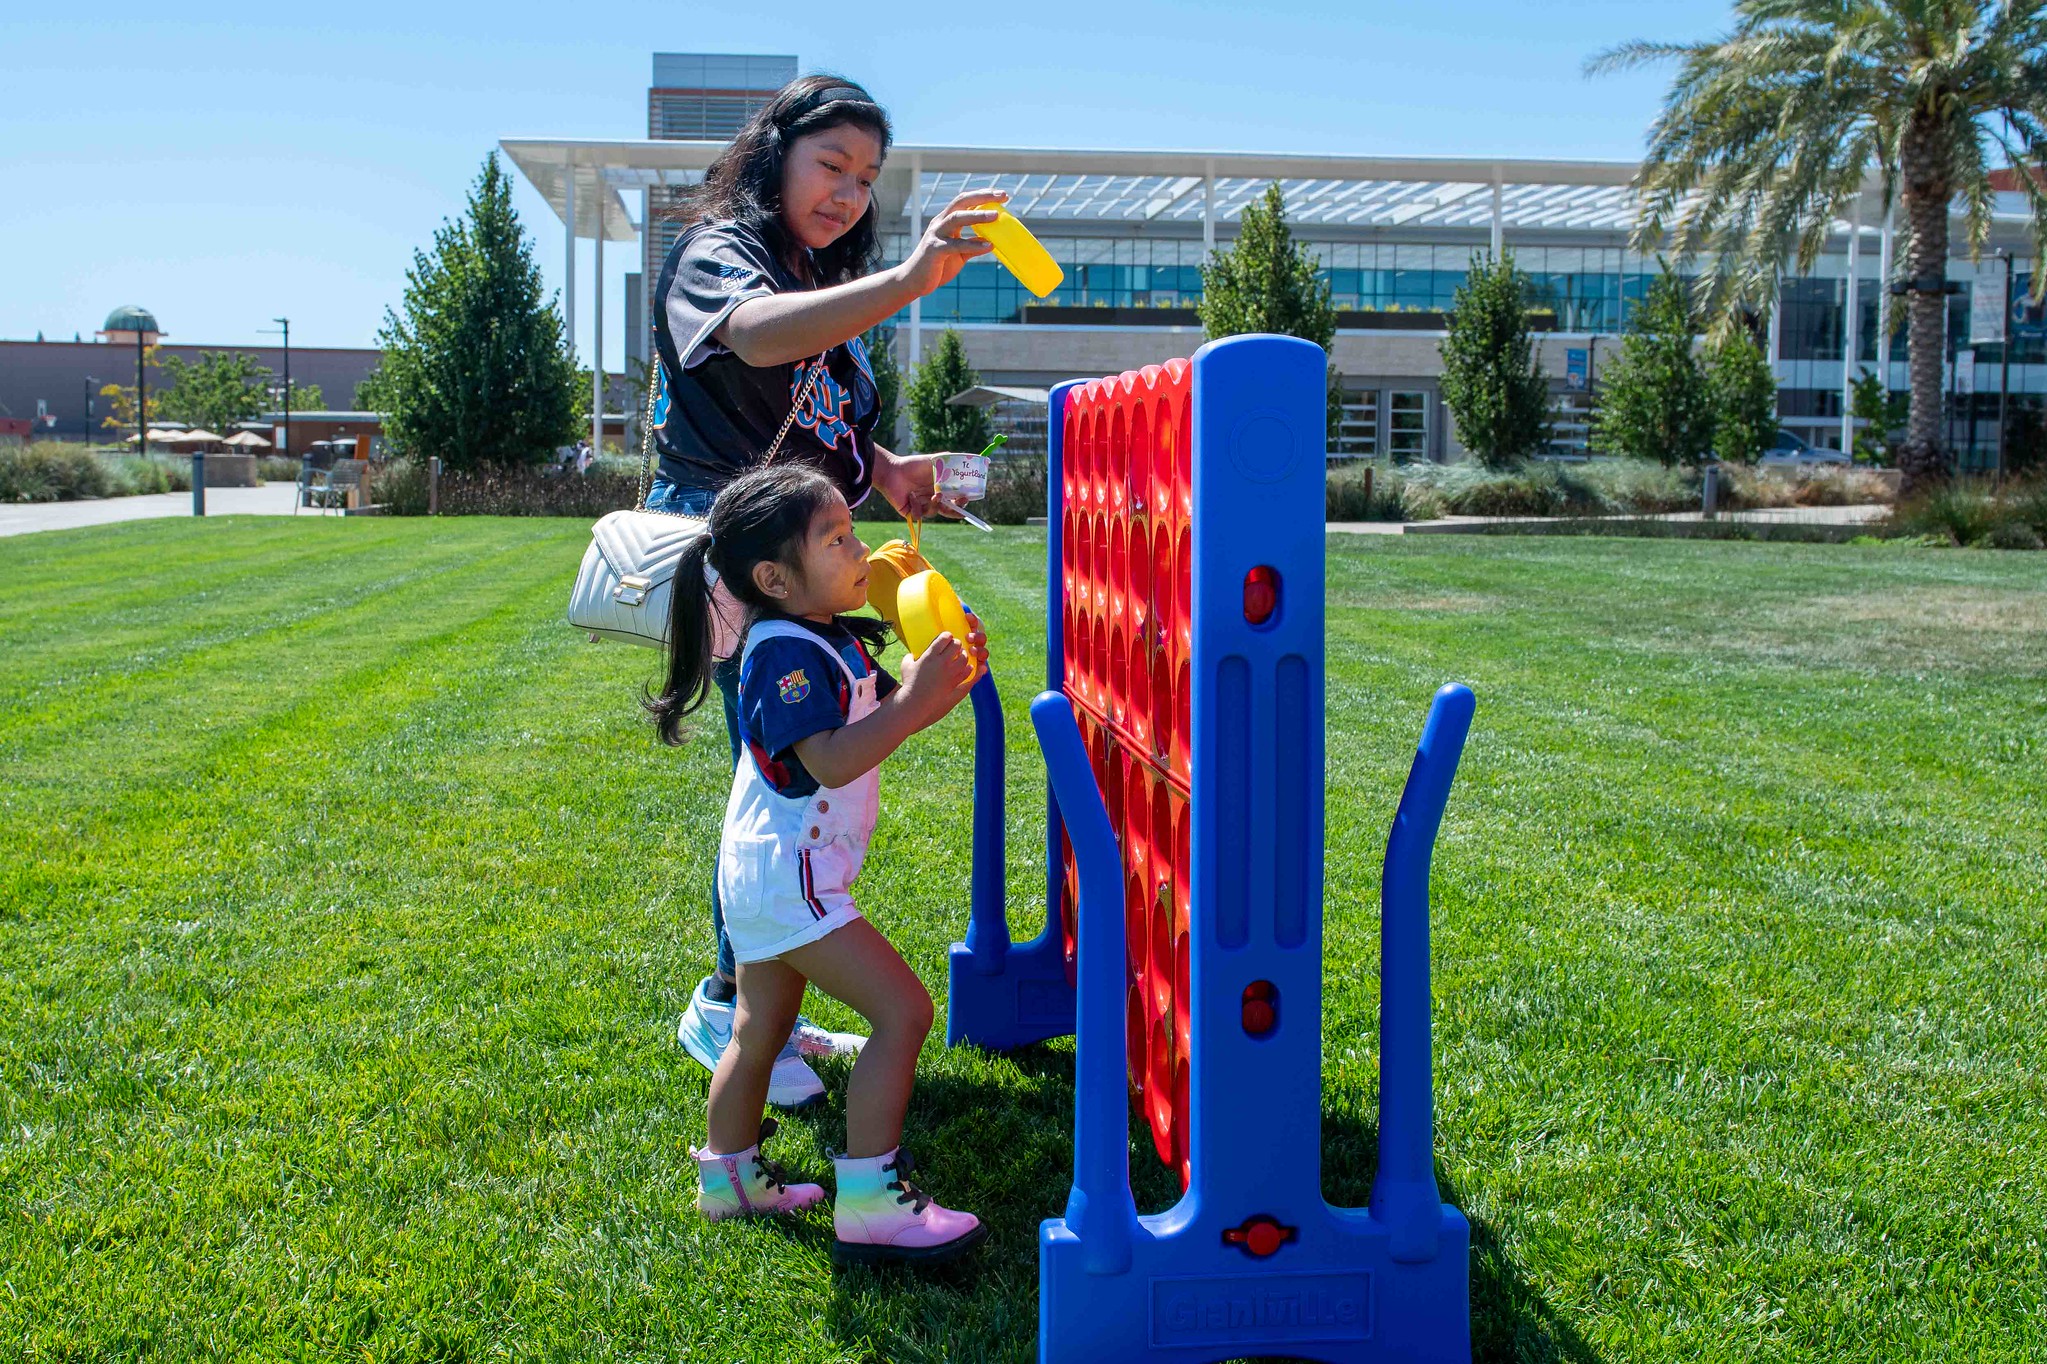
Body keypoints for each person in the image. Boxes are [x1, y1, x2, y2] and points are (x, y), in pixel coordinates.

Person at [647, 72, 1006, 1105]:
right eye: (830, 165)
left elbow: (812, 408)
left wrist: (885, 471)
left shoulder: (810, 269)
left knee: (795, 783)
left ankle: (768, 1010)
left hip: (801, 557)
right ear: (775, 157)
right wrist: (912, 276)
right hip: (747, 560)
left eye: (867, 176)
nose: (849, 191)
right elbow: (759, 338)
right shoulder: (720, 252)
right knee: (781, 782)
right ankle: (735, 1009)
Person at [650, 463, 990, 1263]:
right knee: (903, 1014)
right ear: (774, 576)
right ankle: (871, 1197)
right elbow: (833, 759)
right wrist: (914, 704)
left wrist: (931, 672)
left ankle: (728, 1181)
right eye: (836, 540)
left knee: (760, 1025)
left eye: (851, 532)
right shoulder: (780, 654)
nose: (859, 550)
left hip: (768, 872)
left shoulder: (823, 635)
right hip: (792, 877)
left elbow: (882, 708)